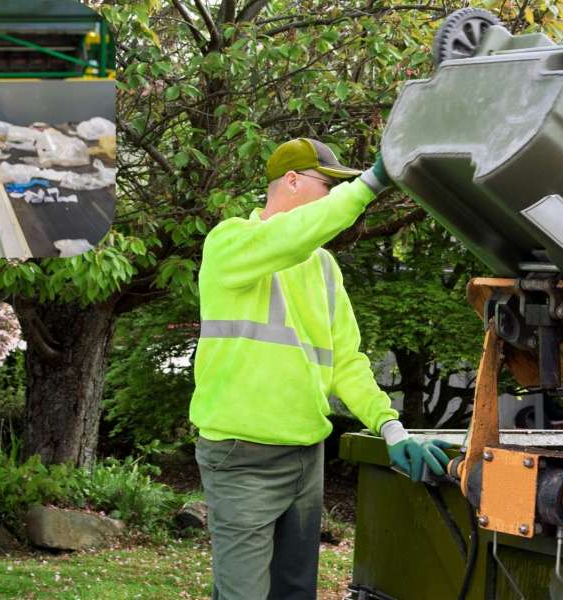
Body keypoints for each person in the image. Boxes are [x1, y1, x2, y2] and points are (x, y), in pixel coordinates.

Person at [191, 138, 452, 599]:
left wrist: (391, 428)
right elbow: (290, 236)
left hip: (305, 458)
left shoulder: (325, 268)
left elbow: (346, 361)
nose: (333, 196)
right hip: (241, 458)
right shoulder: (229, 243)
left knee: (295, 593)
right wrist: (370, 184)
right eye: (327, 185)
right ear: (291, 181)